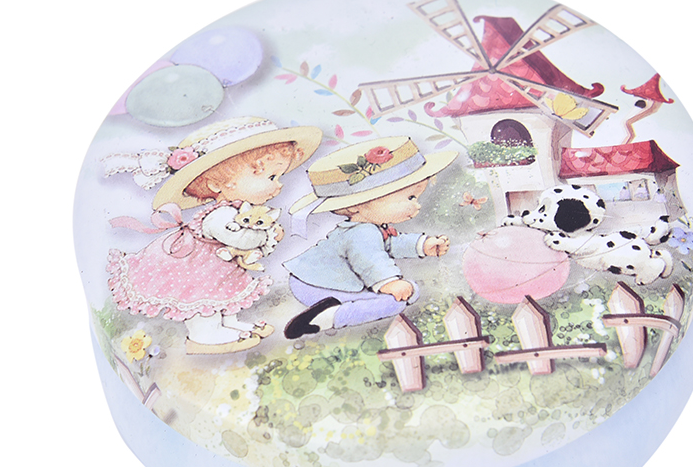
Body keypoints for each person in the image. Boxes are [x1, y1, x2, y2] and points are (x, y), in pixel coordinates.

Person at [106, 116, 321, 354]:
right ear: (218, 185)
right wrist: (267, 235)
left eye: (279, 177)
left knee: (224, 291)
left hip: (218, 268)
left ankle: (228, 323)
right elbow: (240, 240)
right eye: (270, 177)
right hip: (195, 268)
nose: (279, 185)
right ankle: (203, 336)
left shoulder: (239, 210)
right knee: (202, 297)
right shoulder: (220, 215)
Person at [283, 137, 455, 337]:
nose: (417, 206)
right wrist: (389, 283)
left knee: (409, 291)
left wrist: (421, 245)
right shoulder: (362, 233)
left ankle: (329, 310)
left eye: (415, 198)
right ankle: (328, 318)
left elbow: (389, 244)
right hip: (315, 285)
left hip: (312, 282)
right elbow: (371, 261)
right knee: (394, 302)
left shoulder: (368, 229)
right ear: (358, 204)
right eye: (409, 198)